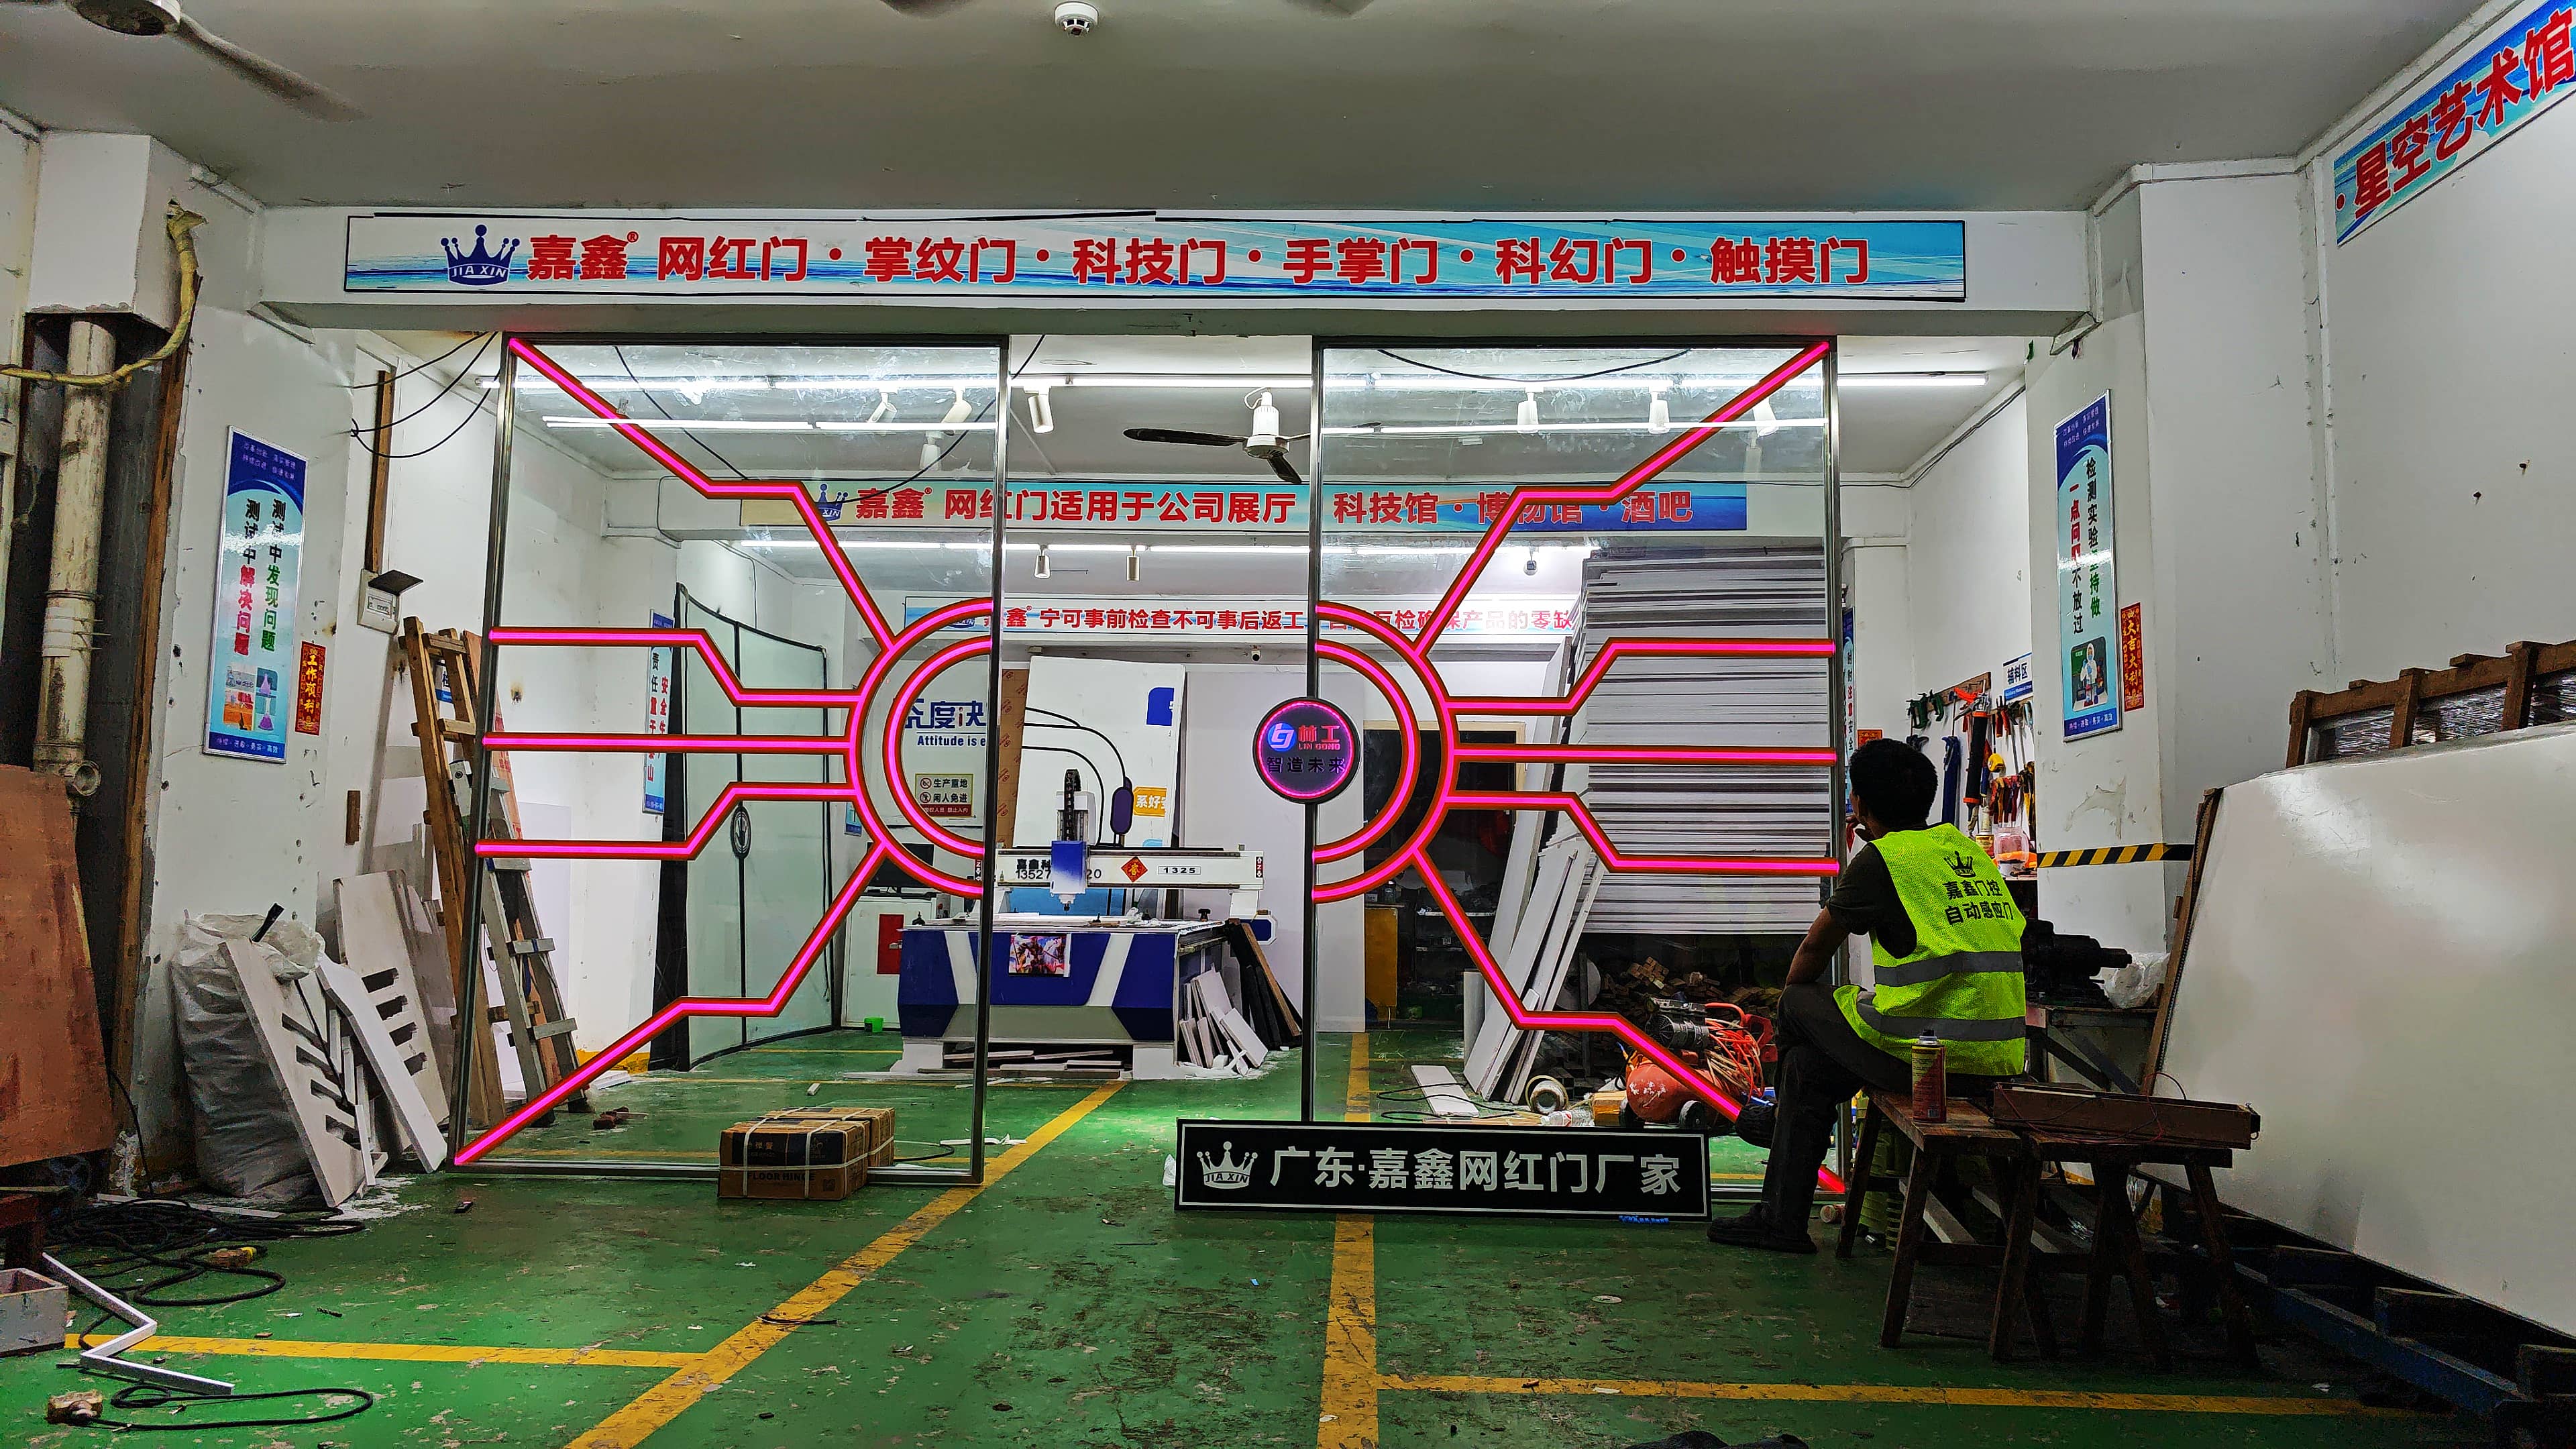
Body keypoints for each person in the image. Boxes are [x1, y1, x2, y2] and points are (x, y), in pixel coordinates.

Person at [1707, 737, 2027, 1253]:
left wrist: (1867, 855)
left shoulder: (1884, 860)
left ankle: (1779, 1114)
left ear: (1859, 802)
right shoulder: (1965, 850)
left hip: (1930, 1063)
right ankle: (1780, 1221)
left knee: (1795, 1002)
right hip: (1996, 1061)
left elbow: (1813, 950)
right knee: (1808, 1069)